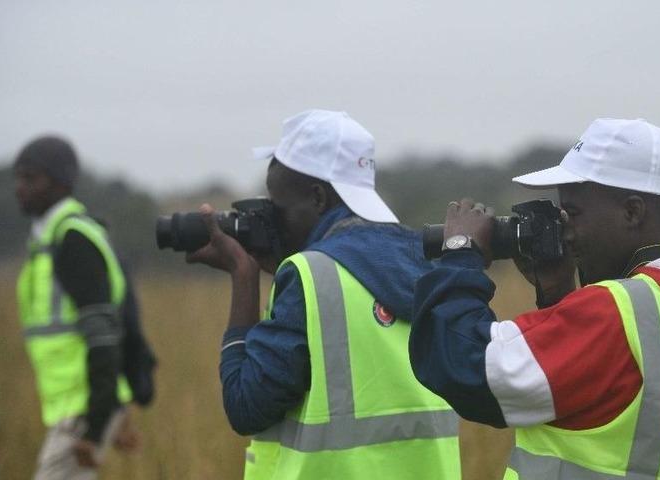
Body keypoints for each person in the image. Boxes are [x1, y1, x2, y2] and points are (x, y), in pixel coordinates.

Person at [409, 118, 660, 479]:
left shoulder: (617, 313)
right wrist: (559, 296)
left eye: (572, 214)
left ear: (632, 212)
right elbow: (602, 408)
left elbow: (469, 370)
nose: (566, 233)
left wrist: (460, 253)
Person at [186, 109, 459, 479]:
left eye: (277, 207)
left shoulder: (309, 277)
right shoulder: (424, 263)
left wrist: (243, 275)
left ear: (317, 198)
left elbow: (245, 406)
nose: (273, 221)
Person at [13, 136, 141, 479]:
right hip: (75, 405)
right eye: (18, 177)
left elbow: (103, 335)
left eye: (30, 178)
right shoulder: (49, 239)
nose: (19, 187)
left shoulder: (73, 240)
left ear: (60, 183)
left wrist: (97, 423)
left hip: (84, 408)